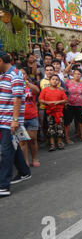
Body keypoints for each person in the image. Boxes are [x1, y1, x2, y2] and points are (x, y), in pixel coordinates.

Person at [0, 51, 31, 197]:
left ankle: (3, 186)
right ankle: (24, 172)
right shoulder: (2, 75)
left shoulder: (15, 75)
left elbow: (17, 98)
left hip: (10, 120)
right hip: (2, 117)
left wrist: (15, 120)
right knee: (12, 146)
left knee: (6, 151)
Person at [38, 75, 67, 151]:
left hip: (59, 112)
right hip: (49, 112)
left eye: (57, 79)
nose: (55, 81)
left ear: (59, 82)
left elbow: (65, 100)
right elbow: (40, 99)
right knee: (51, 128)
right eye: (53, 79)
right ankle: (52, 144)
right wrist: (47, 102)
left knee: (60, 127)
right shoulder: (45, 90)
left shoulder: (61, 90)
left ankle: (60, 143)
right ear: (49, 81)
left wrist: (58, 102)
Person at [20, 68, 40, 167]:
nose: (22, 75)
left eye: (23, 74)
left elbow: (37, 91)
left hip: (32, 116)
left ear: (27, 75)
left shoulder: (30, 86)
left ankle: (34, 158)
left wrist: (27, 83)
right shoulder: (13, 87)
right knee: (22, 141)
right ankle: (25, 161)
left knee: (33, 139)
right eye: (19, 74)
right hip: (19, 118)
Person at [64, 68, 82, 143]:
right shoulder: (68, 82)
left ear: (81, 75)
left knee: (81, 121)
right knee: (67, 122)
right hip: (69, 105)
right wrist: (65, 103)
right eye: (75, 74)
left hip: (81, 105)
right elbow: (64, 93)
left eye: (79, 74)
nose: (77, 75)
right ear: (73, 74)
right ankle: (66, 138)